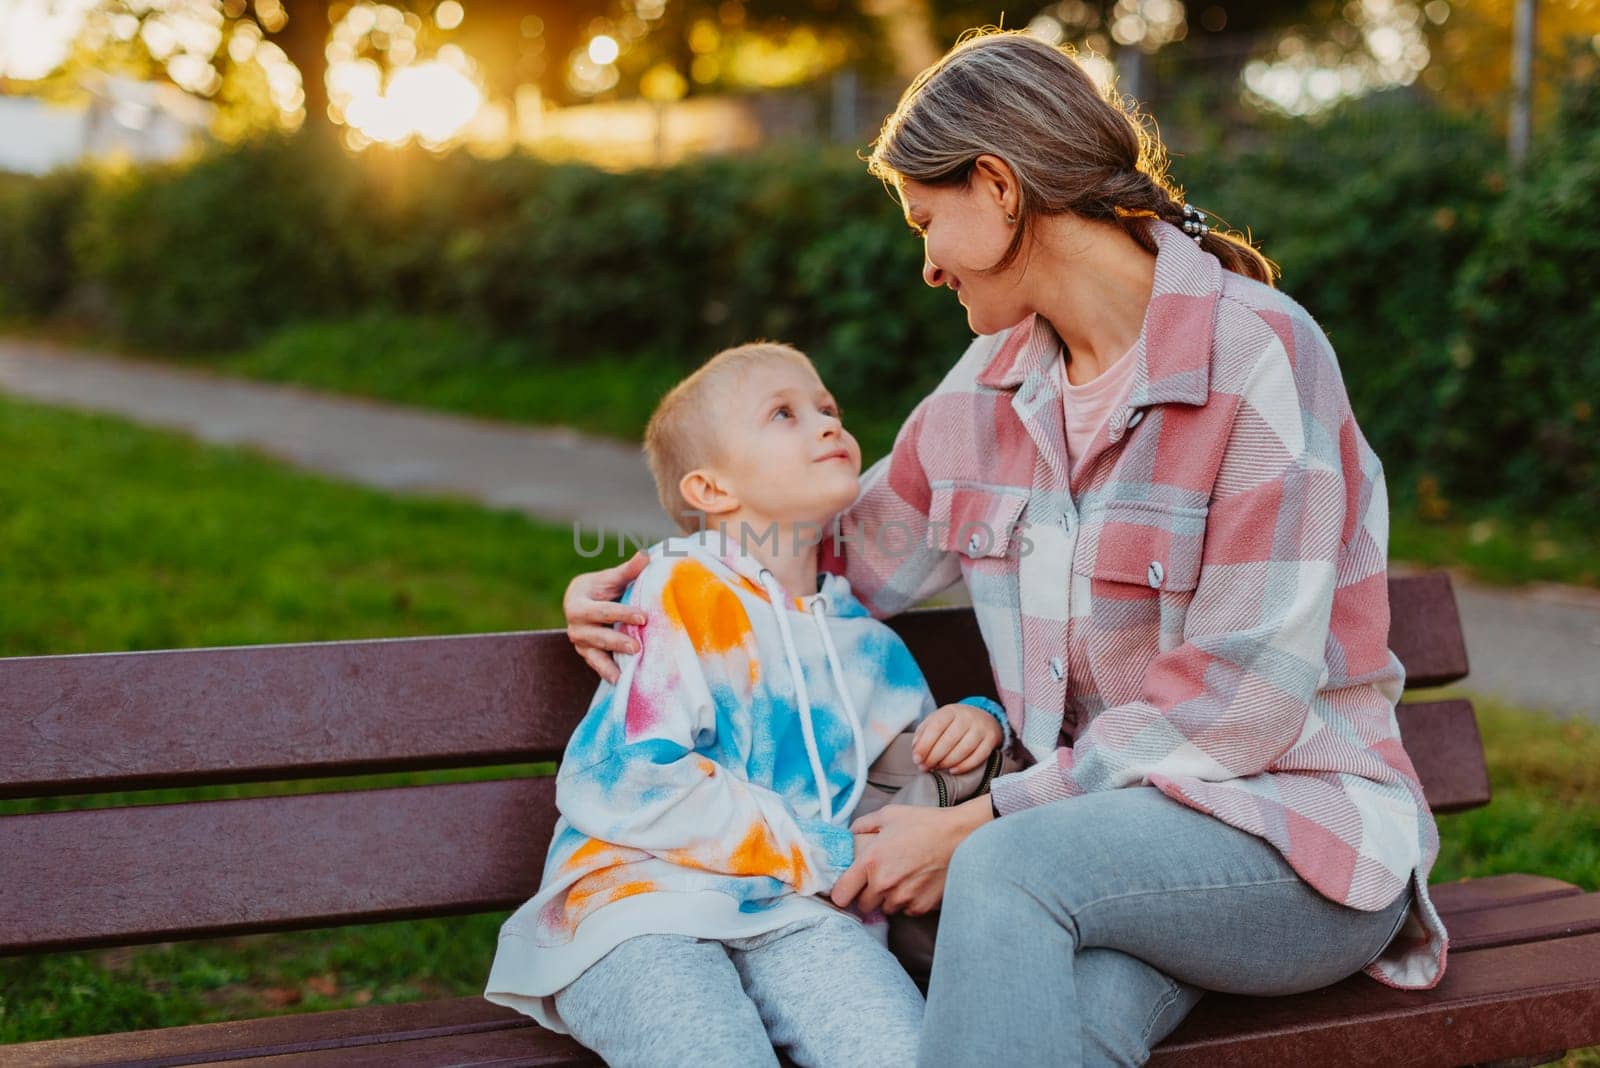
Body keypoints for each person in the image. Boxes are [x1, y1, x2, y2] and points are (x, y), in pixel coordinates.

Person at [558, 30, 1450, 1067]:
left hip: (1291, 844)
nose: (926, 265)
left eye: (928, 222)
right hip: (1097, 863)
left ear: (998, 187)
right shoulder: (987, 391)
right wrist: (657, 579)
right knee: (1058, 1030)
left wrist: (985, 817)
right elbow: (832, 553)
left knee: (998, 876)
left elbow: (1238, 704)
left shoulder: (1259, 357)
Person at [484, 341, 1007, 1067]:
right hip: (636, 906)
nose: (828, 425)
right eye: (785, 414)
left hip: (797, 913)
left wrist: (981, 720)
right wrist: (822, 852)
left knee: (901, 1054)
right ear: (710, 490)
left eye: (829, 410)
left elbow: (905, 791)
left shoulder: (868, 644)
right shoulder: (680, 592)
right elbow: (633, 776)